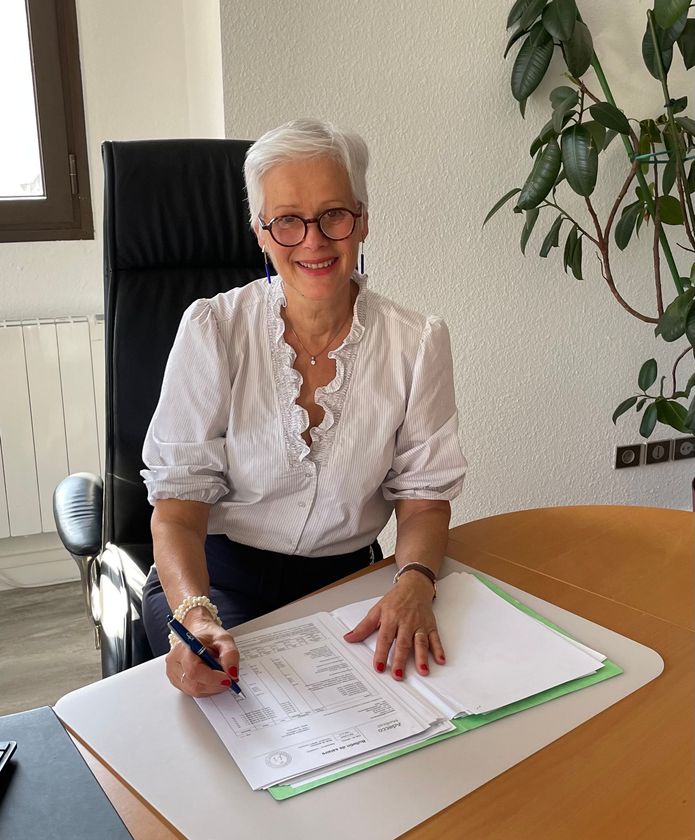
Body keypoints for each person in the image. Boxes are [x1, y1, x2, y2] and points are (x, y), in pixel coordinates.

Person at [140, 118, 466, 698]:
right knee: (253, 715)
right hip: (213, 581)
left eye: (333, 215)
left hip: (348, 583)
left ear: (361, 221)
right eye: (287, 220)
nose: (313, 241)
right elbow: (177, 513)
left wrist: (415, 579)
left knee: (411, 712)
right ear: (260, 233)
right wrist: (195, 615)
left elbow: (423, 500)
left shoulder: (417, 344)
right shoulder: (214, 330)